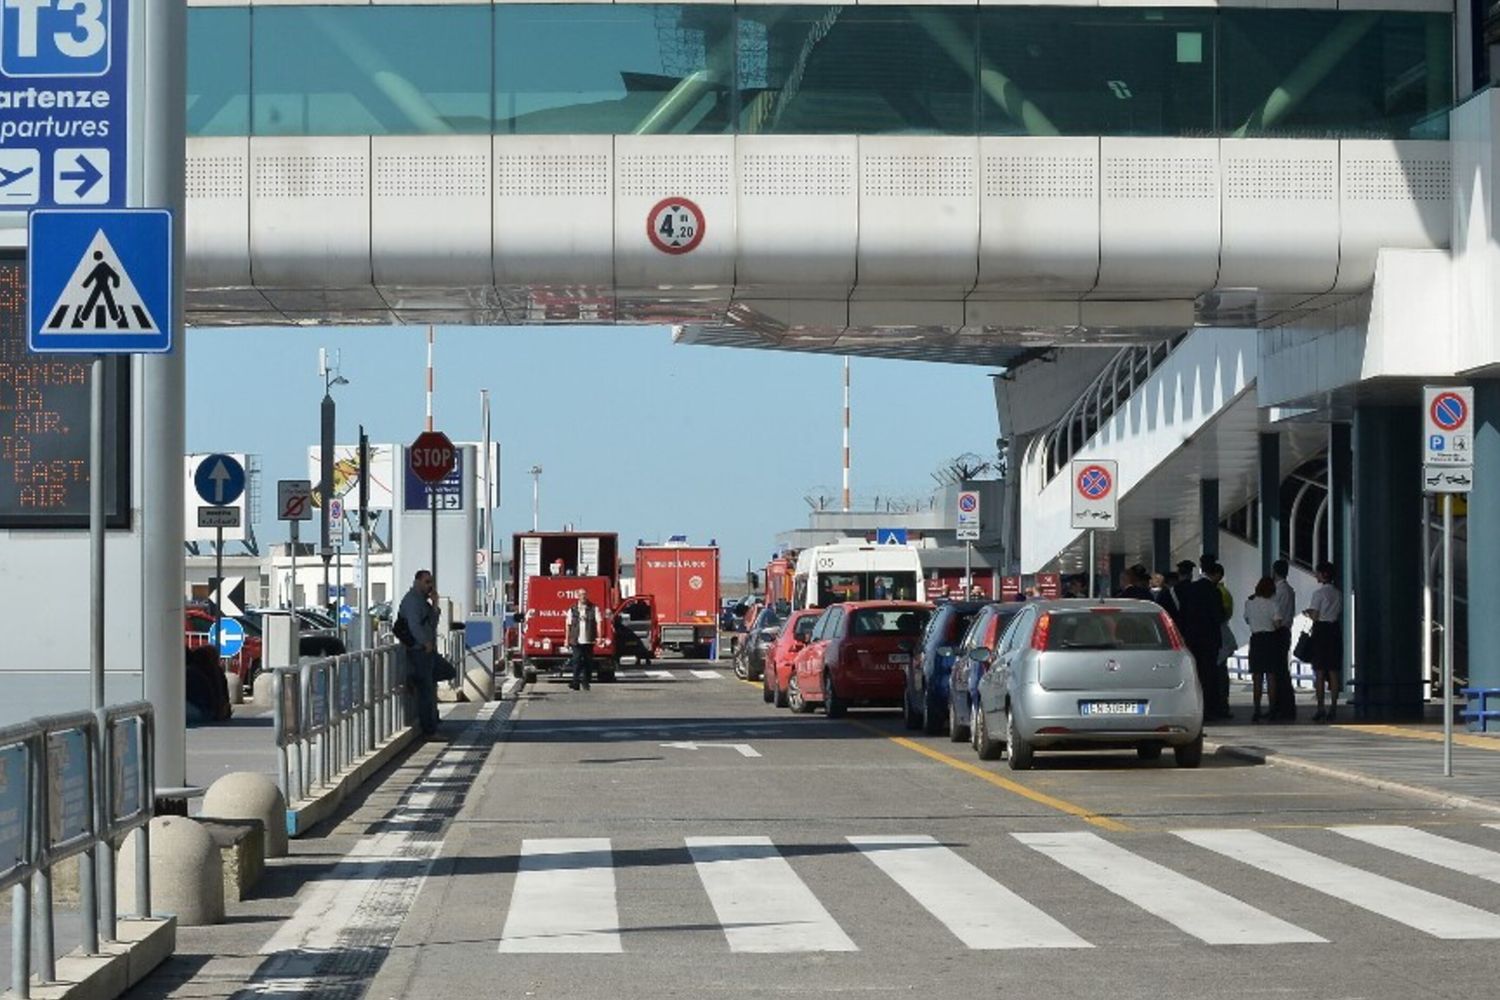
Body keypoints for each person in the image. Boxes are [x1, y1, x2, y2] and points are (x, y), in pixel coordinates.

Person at [397, 569, 441, 736]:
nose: (430, 586)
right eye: (427, 582)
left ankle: (414, 679)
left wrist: (435, 604)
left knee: (442, 673)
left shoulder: (424, 601)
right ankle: (429, 728)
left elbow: (433, 622)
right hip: (418, 650)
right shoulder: (412, 601)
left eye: (431, 582)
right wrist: (425, 642)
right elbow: (414, 625)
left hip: (426, 651)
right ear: (417, 582)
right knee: (426, 690)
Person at [1305, 561, 1344, 721]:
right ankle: (1333, 707)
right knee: (1333, 671)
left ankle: (1320, 707)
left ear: (1323, 575)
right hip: (1334, 630)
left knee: (1320, 671)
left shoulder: (1318, 594)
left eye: (1318, 573)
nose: (1316, 575)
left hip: (1321, 631)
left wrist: (1308, 613)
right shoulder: (1338, 593)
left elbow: (1315, 615)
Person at [1244, 577, 1283, 722]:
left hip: (1256, 640)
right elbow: (1278, 624)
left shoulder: (1249, 603)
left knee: (1257, 677)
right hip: (1270, 640)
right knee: (1271, 676)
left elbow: (1247, 619)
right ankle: (1272, 709)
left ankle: (1256, 709)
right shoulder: (1273, 604)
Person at [1206, 562, 1235, 718]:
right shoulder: (1223, 592)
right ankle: (1222, 704)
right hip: (1220, 638)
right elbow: (1226, 614)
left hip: (1208, 639)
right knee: (1221, 673)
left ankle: (1212, 705)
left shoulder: (1207, 590)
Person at [1271, 559, 1298, 721]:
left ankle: (1282, 707)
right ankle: (1286, 706)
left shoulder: (1279, 591)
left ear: (1275, 572)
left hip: (1278, 631)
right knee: (1282, 670)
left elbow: (1277, 614)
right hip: (1285, 631)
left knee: (1278, 671)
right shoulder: (1289, 590)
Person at [565, 592, 604, 690]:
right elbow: (568, 625)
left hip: (588, 639)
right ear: (578, 596)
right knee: (576, 660)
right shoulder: (572, 609)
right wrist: (566, 639)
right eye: (581, 595)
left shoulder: (594, 608)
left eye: (584, 595)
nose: (583, 597)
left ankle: (586, 682)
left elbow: (599, 623)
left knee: (588, 662)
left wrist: (599, 637)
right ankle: (575, 682)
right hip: (576, 639)